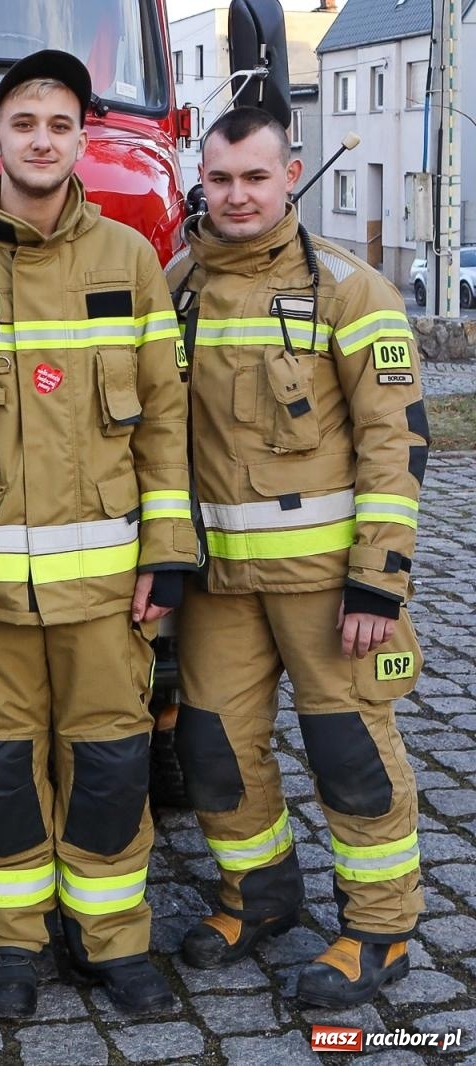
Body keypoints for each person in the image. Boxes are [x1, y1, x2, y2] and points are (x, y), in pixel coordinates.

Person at [0, 50, 196, 1018]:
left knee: (112, 769)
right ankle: (8, 948)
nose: (41, 139)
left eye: (59, 124)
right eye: (23, 122)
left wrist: (167, 554)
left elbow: (162, 414)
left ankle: (112, 943)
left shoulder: (127, 263)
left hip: (107, 592)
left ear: (81, 140)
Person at [168, 107, 429, 1008]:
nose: (237, 196)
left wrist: (378, 582)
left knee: (350, 751)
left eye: (256, 177)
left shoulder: (353, 291)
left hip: (329, 588)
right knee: (212, 750)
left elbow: (396, 447)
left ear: (292, 174)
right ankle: (261, 897)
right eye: (222, 179)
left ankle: (382, 929)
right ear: (202, 180)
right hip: (217, 586)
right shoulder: (176, 286)